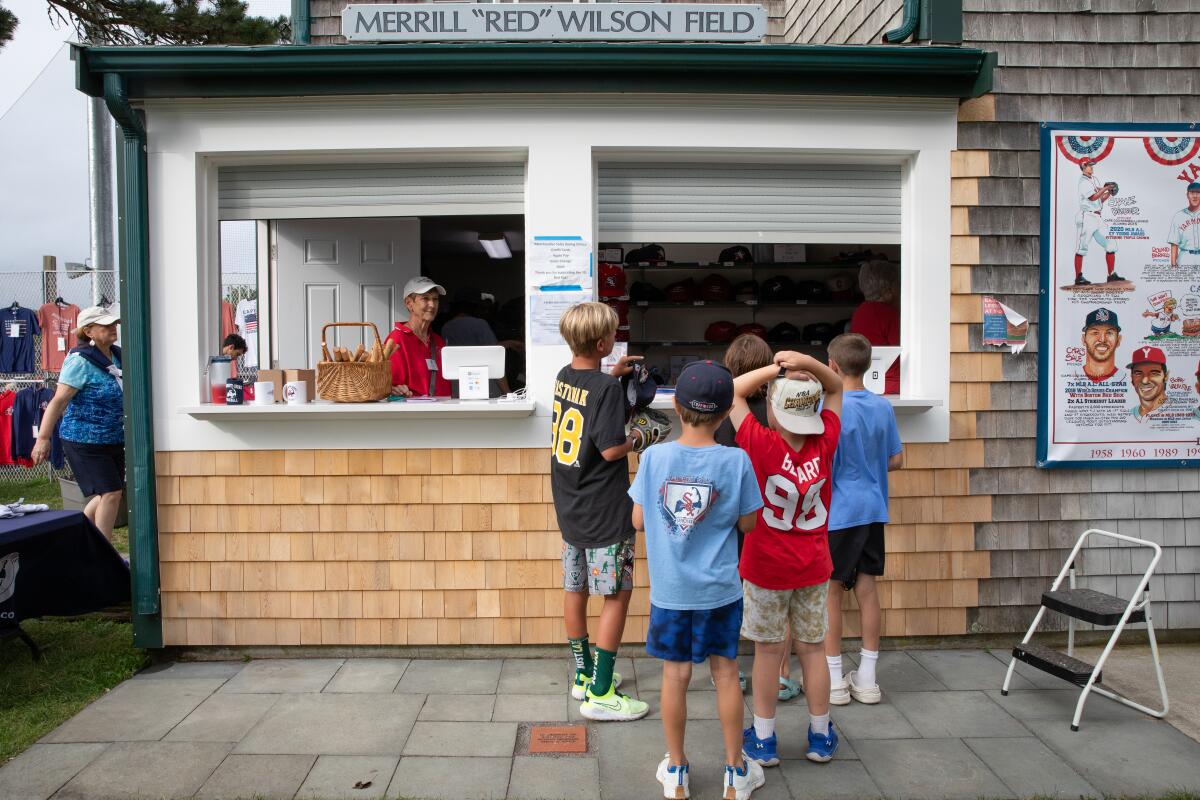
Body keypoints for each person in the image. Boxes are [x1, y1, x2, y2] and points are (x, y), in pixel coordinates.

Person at [629, 360, 765, 800]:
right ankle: (734, 772)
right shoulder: (737, 460)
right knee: (726, 676)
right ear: (726, 412)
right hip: (720, 591)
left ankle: (678, 771)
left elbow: (638, 520)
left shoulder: (654, 457)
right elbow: (748, 525)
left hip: (671, 593)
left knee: (675, 677)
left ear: (676, 407)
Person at [733, 350, 843, 765]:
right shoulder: (826, 439)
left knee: (766, 652)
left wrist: (777, 369)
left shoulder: (760, 443)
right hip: (814, 564)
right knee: (813, 650)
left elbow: (732, 393)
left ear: (774, 414)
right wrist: (809, 365)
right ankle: (819, 734)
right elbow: (835, 386)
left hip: (765, 567)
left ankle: (763, 738)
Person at [552, 301, 648, 721]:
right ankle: (603, 691)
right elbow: (611, 448)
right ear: (603, 341)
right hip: (605, 509)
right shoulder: (607, 390)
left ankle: (584, 674)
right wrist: (644, 436)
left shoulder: (564, 376)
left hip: (570, 504)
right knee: (616, 593)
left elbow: (588, 405)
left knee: (576, 588)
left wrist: (612, 376)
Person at [823, 333, 904, 706]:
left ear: (833, 367)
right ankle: (868, 678)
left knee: (831, 592)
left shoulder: (830, 409)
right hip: (873, 509)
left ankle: (834, 678)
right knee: (868, 589)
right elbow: (896, 459)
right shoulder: (883, 407)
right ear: (868, 365)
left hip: (838, 512)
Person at [714, 334, 786, 699]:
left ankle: (727, 668)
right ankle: (784, 673)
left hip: (731, 516)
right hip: (772, 516)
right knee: (774, 595)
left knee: (730, 595)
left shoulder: (725, 413)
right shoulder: (778, 414)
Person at [30, 306, 125, 540]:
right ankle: (103, 553)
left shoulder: (118, 356)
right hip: (84, 440)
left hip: (112, 437)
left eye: (114, 323)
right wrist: (42, 439)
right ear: (89, 331)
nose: (113, 328)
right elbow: (58, 402)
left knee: (111, 493)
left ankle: (81, 537)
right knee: (111, 493)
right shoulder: (79, 361)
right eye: (106, 325)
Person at [387, 276, 452, 397]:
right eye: (425, 298)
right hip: (414, 413)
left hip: (443, 412)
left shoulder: (438, 341)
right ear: (409, 303)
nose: (432, 305)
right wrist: (395, 389)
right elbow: (388, 387)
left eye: (435, 299)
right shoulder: (396, 339)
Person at [441, 287, 509, 396]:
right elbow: (495, 358)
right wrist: (507, 392)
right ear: (474, 306)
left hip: (457, 389)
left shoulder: (446, 327)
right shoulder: (479, 324)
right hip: (484, 388)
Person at [849, 260, 900, 395]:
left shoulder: (860, 311)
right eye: (897, 282)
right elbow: (904, 349)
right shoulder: (889, 314)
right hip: (890, 384)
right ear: (889, 287)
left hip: (868, 382)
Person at [1073, 157, 1123, 286]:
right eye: (1089, 165)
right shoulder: (1083, 182)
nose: (1092, 167)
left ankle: (1111, 274)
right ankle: (1078, 277)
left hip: (1097, 217)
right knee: (1081, 247)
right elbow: (1093, 197)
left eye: (1091, 165)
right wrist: (1105, 188)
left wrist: (1109, 193)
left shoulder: (1094, 180)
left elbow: (1099, 200)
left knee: (1110, 243)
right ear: (1083, 166)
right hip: (1087, 217)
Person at [1077, 308, 1122, 382]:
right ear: (1083, 339)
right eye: (1095, 333)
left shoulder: (1128, 381)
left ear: (1118, 340)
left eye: (1109, 333)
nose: (1102, 339)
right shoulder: (1071, 376)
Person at [1127, 346, 1168, 422]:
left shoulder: (1185, 414)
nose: (1145, 381)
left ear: (1166, 376)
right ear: (1131, 377)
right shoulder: (1126, 417)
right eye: (1138, 373)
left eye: (1154, 373)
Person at [1167, 181, 1200, 267]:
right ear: (1187, 195)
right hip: (1186, 257)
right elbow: (1174, 244)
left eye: (1198, 192)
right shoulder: (1179, 216)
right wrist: (1173, 265)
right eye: (1192, 192)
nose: (1195, 196)